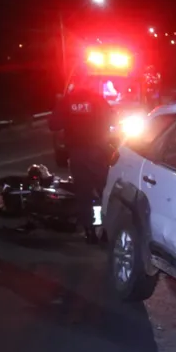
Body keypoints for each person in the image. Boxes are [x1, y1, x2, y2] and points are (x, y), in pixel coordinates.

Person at [48, 77, 114, 244]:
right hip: (98, 152)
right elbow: (112, 120)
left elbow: (53, 124)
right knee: (104, 192)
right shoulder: (98, 100)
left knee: (84, 194)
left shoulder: (68, 101)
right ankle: (107, 231)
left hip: (77, 153)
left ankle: (89, 232)